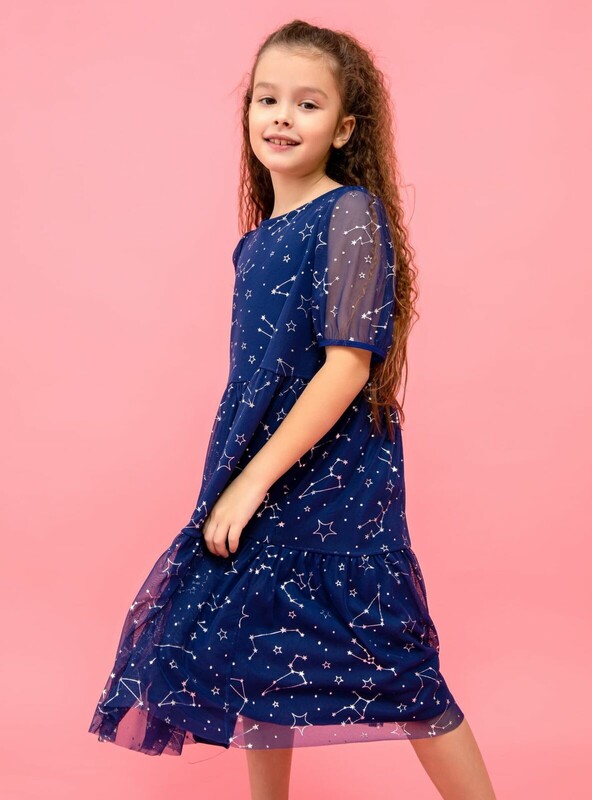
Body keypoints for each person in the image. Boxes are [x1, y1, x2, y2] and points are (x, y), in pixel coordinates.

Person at [88, 18, 497, 800]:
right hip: (261, 471)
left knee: (402, 665)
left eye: (307, 104)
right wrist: (239, 478)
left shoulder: (349, 214)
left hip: (332, 482)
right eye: (267, 98)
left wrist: (253, 481)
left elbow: (347, 366)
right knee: (260, 660)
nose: (282, 116)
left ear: (343, 128)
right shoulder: (258, 240)